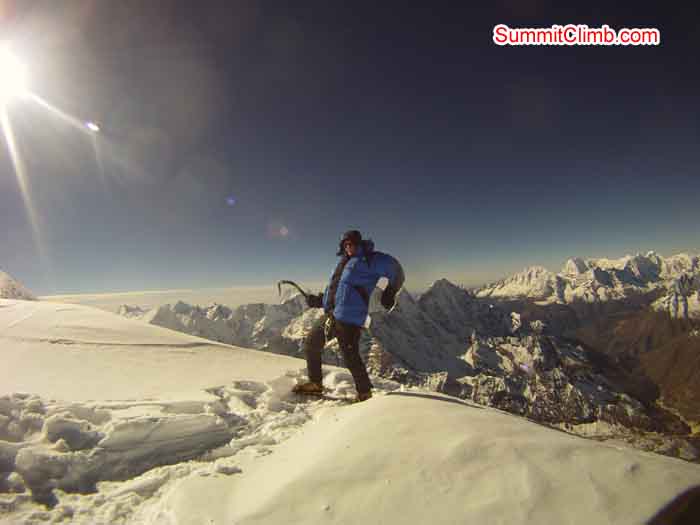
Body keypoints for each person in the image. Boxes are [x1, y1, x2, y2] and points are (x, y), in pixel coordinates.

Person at [293, 230, 405, 402]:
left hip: (350, 318)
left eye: (352, 243)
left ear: (359, 243)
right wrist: (318, 300)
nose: (349, 247)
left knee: (350, 357)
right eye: (345, 244)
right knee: (311, 344)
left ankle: (365, 393)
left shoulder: (370, 259)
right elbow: (336, 291)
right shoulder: (343, 264)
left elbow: (396, 270)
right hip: (333, 315)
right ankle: (315, 384)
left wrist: (390, 292)